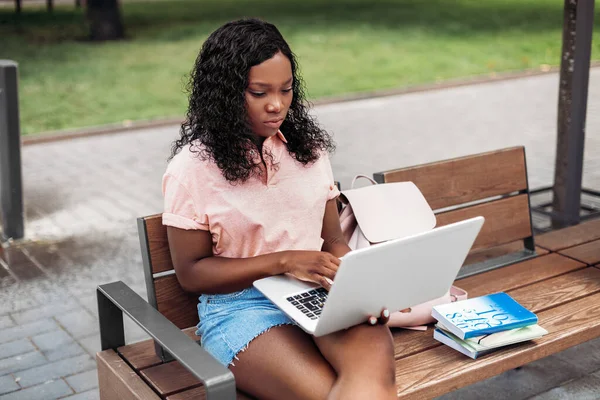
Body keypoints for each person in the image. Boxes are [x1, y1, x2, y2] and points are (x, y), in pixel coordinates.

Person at [162, 18, 396, 400]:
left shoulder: (307, 151)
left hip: (318, 292)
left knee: (373, 378)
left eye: (286, 90)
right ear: (225, 93)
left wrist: (360, 289)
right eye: (259, 92)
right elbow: (191, 274)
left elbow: (333, 239)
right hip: (242, 310)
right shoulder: (191, 170)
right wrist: (284, 261)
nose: (277, 104)